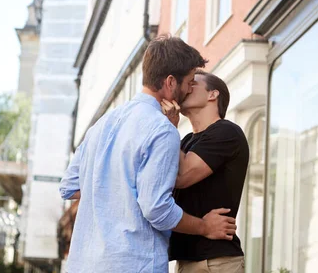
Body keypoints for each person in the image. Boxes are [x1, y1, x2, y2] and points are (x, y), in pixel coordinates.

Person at [59, 36, 237, 273]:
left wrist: (116, 191)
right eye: (189, 81)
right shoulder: (162, 129)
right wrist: (204, 226)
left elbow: (69, 185)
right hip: (134, 263)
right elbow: (157, 209)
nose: (189, 88)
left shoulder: (102, 125)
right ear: (171, 82)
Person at [161, 71, 250, 273]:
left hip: (216, 262)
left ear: (213, 95)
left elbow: (181, 176)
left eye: (193, 83)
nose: (186, 87)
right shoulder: (185, 142)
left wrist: (167, 127)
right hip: (186, 261)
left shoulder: (227, 132)